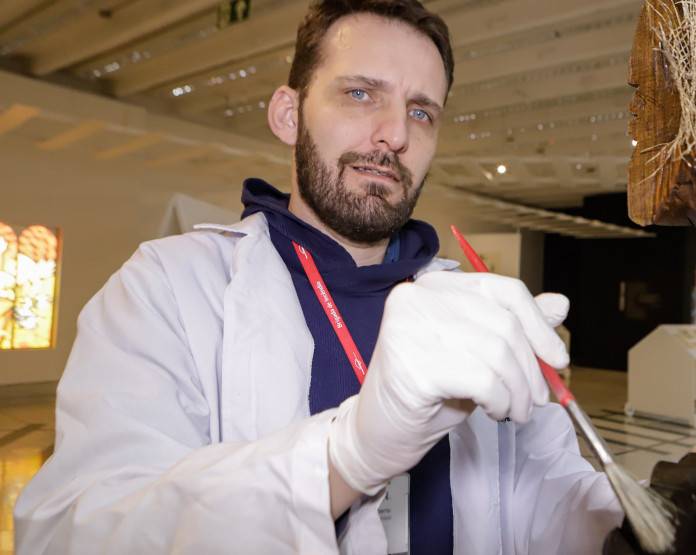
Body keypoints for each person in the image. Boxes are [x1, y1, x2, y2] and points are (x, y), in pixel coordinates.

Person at [14, 1, 624, 553]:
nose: (396, 134)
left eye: (421, 111)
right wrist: (345, 458)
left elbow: (544, 492)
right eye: (360, 93)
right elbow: (71, 531)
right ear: (289, 115)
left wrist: (626, 527)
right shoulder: (168, 287)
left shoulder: (466, 305)